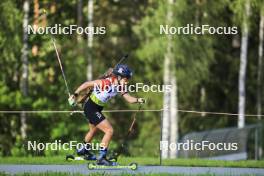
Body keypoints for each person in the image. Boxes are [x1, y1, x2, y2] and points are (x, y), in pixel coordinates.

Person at [68, 64, 145, 165]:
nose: (127, 82)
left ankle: (83, 150)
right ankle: (101, 158)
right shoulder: (106, 83)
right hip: (91, 107)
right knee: (109, 130)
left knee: (93, 130)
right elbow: (87, 84)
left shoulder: (120, 86)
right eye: (126, 79)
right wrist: (75, 94)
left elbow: (129, 98)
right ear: (118, 77)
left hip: (97, 108)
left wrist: (138, 100)